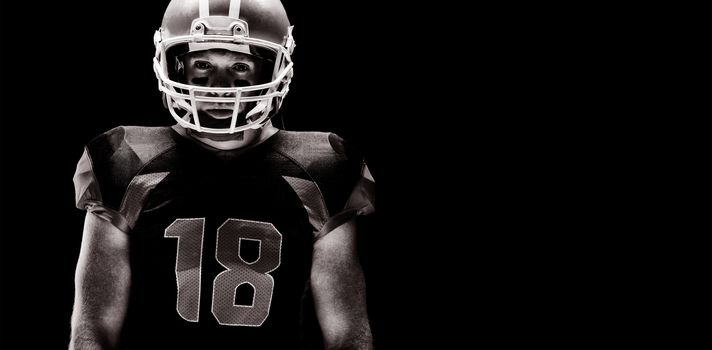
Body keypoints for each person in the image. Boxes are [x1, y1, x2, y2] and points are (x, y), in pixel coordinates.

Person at [68, 0, 375, 349]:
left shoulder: (323, 166)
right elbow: (93, 329)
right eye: (202, 64)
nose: (219, 86)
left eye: (240, 66)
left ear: (276, 70)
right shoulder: (126, 159)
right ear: (174, 66)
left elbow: (347, 332)